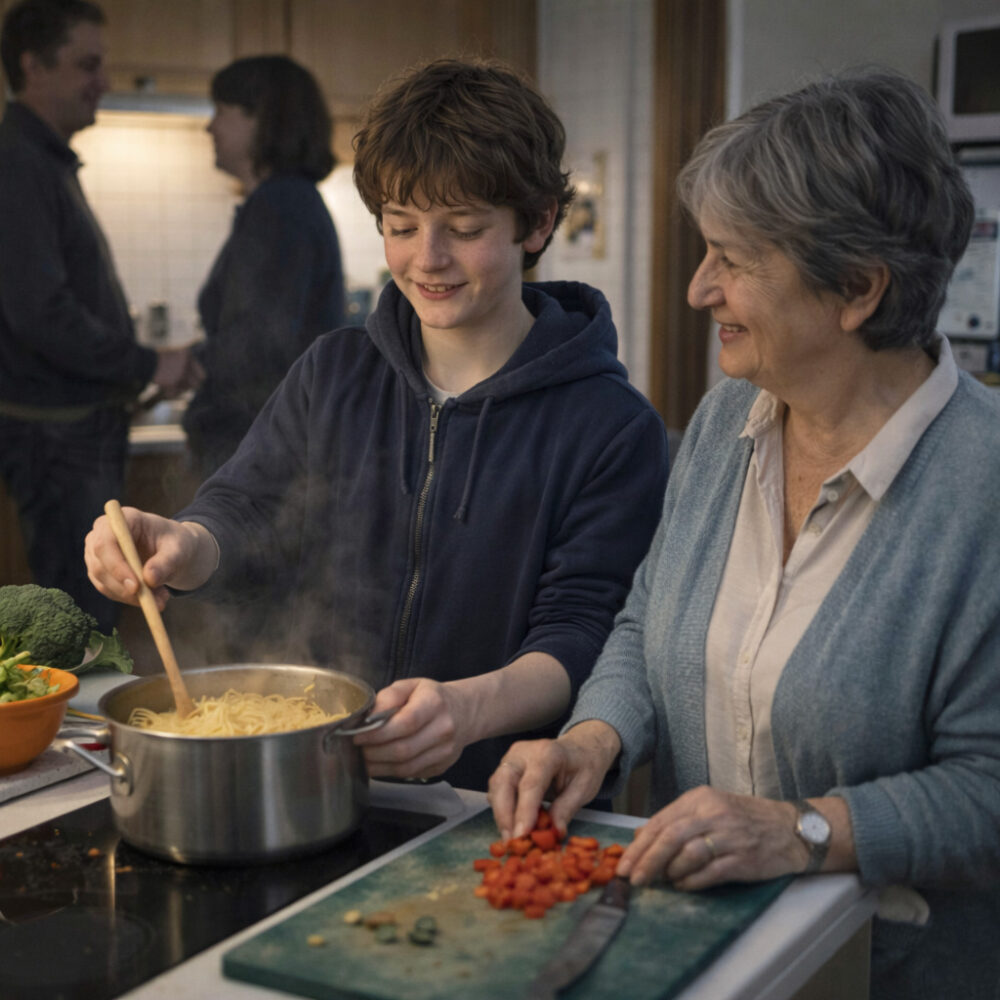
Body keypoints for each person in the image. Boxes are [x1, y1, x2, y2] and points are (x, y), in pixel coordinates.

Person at [489, 69, 1000, 1000]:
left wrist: (804, 829)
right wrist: (594, 739)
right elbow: (649, 625)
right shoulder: (730, 423)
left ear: (856, 289)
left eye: (732, 258)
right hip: (710, 962)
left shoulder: (985, 490)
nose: (697, 289)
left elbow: (989, 788)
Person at [84, 58, 669, 792]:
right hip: (320, 781)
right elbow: (250, 509)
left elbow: (585, 632)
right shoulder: (336, 371)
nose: (429, 258)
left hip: (497, 802)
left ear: (538, 223)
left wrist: (466, 709)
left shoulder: (611, 426)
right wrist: (184, 543)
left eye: (463, 227)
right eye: (401, 226)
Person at [0, 0, 195, 631]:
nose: (104, 81)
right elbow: (40, 313)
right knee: (78, 627)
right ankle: (82, 735)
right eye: (88, 64)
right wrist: (148, 361)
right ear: (33, 65)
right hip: (60, 440)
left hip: (71, 434)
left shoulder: (42, 160)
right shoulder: (17, 162)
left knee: (88, 623)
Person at [182, 54, 346, 480]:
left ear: (261, 119)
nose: (209, 126)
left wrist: (192, 362)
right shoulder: (284, 202)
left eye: (220, 111)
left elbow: (260, 344)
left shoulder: (281, 207)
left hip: (258, 455)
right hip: (267, 446)